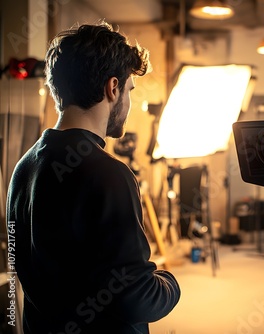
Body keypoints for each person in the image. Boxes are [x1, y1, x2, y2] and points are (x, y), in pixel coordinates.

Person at [6, 21, 180, 333]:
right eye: (128, 90)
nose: (127, 102)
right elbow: (137, 299)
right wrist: (170, 283)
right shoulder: (108, 174)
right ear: (112, 88)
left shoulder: (23, 168)